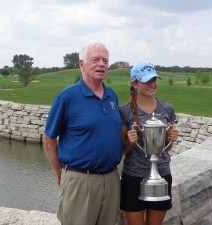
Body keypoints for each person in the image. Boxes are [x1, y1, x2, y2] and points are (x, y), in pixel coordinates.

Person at [43, 42, 122, 225]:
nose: (101, 64)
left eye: (105, 60)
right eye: (95, 59)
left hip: (111, 179)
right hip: (80, 180)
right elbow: (49, 138)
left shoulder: (112, 96)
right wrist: (60, 174)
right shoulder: (67, 97)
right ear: (82, 64)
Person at [119, 62, 179, 225]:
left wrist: (171, 139)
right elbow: (122, 150)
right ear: (134, 84)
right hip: (133, 177)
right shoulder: (124, 111)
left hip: (162, 174)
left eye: (154, 80)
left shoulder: (167, 109)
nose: (152, 84)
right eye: (146, 81)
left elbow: (168, 148)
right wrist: (131, 142)